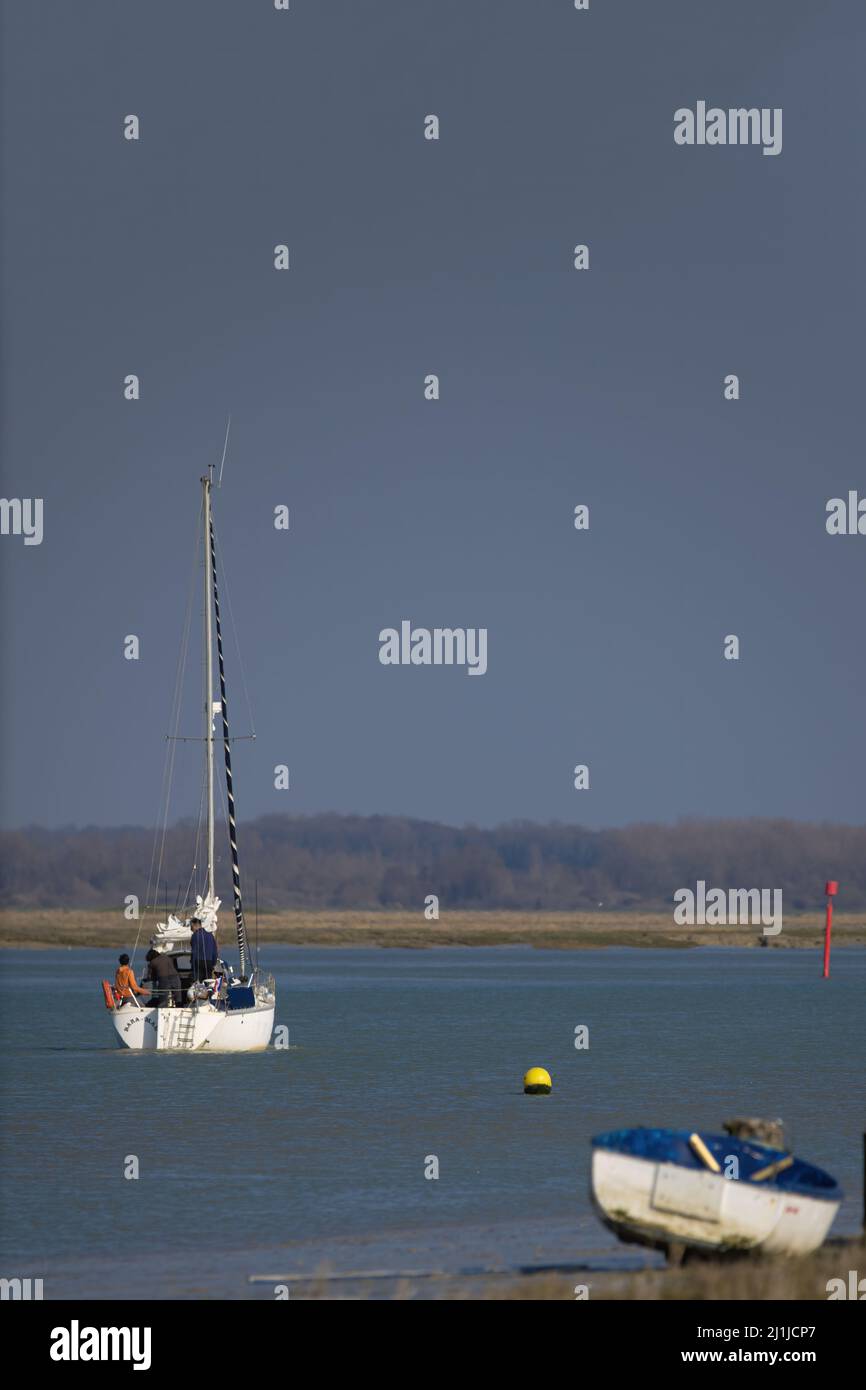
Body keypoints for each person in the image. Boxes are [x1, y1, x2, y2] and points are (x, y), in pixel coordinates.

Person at [190, 916, 218, 982]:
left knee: (199, 983)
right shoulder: (210, 935)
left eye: (191, 927)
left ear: (194, 925)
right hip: (209, 962)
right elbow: (215, 951)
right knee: (208, 982)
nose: (191, 929)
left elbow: (194, 951)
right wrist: (213, 963)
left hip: (198, 962)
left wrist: (192, 965)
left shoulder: (195, 936)